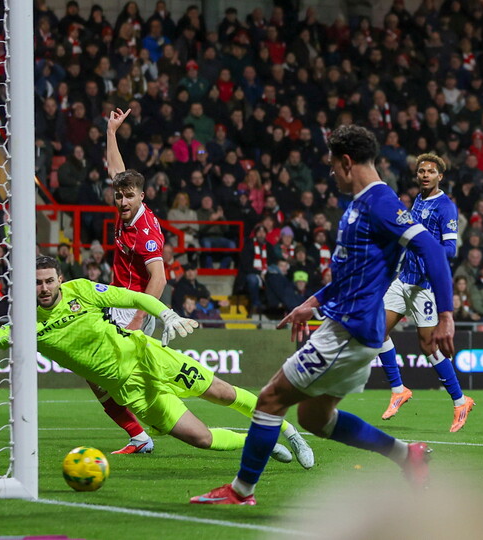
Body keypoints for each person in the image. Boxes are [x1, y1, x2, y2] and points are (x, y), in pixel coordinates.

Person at [192, 125, 455, 505]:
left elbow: (432, 250)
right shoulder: (360, 204)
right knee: (315, 419)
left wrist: (445, 314)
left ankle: (240, 491)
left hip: (347, 331)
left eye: (333, 164)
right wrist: (311, 302)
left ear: (346, 162)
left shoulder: (379, 202)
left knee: (269, 400)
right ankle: (406, 455)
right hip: (353, 328)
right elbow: (352, 274)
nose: (331, 172)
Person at [0, 257, 313, 466]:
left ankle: (288, 430)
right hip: (131, 392)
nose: (46, 288)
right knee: (200, 438)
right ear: (27, 287)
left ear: (58, 279)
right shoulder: (26, 325)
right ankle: (262, 442)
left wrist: (165, 314)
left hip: (149, 358)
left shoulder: (81, 290)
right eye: (38, 283)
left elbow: (133, 296)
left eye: (50, 280)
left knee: (220, 392)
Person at [378, 153, 475, 432]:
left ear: (440, 176)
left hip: (425, 286)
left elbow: (450, 249)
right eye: (421, 171)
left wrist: (422, 246)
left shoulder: (446, 207)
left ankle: (459, 400)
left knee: (428, 347)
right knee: (376, 331)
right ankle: (399, 389)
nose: (424, 175)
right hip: (403, 279)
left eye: (430, 172)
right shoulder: (418, 200)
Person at [92, 107, 168, 454]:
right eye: (118, 195)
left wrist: (138, 318)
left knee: (101, 372)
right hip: (117, 301)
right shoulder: (127, 205)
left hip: (132, 307)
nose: (121, 200)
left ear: (142, 197)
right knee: (98, 374)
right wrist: (111, 132)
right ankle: (142, 431)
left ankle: (149, 426)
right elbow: (116, 170)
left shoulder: (145, 233)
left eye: (127, 196)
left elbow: (160, 278)